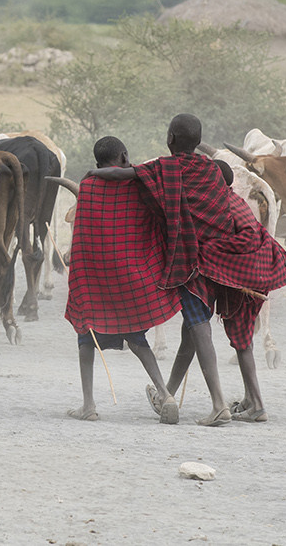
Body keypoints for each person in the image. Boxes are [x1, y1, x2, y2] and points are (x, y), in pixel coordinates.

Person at [87, 114, 286, 425]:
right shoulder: (214, 169)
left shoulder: (164, 167)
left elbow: (125, 176)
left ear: (170, 139)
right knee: (209, 333)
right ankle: (236, 402)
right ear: (198, 142)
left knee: (199, 328)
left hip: (197, 262)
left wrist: (93, 173)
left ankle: (218, 406)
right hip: (236, 259)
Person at [65, 136, 182, 424]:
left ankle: (89, 405)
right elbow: (156, 221)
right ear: (125, 156)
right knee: (138, 340)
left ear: (97, 164)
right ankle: (166, 394)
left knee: (85, 337)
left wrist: (78, 280)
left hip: (97, 282)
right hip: (133, 280)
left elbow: (82, 241)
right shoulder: (139, 181)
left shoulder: (89, 188)